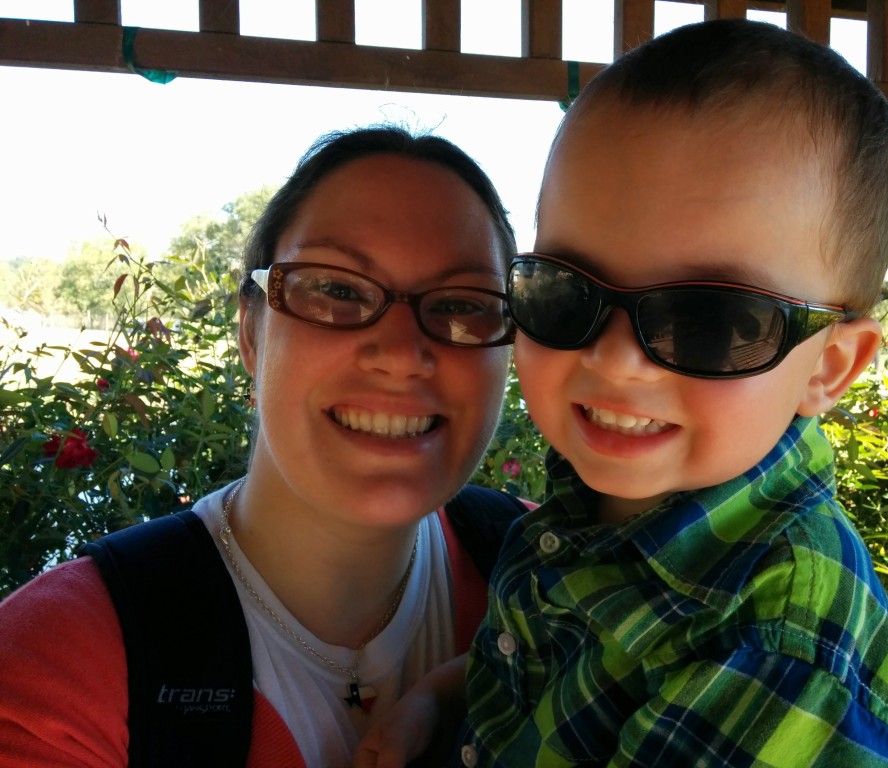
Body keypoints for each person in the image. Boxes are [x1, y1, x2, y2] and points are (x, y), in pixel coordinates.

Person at [356, 19, 888, 768]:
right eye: (564, 291)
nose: (616, 360)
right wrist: (437, 699)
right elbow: (561, 665)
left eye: (710, 320)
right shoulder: (598, 512)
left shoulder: (775, 647)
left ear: (828, 368)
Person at [0, 125, 521, 767]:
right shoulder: (57, 665)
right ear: (250, 332)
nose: (400, 355)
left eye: (463, 304)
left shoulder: (577, 570)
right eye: (335, 290)